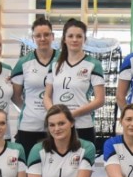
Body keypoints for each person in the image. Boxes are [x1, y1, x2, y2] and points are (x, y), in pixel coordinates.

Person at [44, 17, 107, 147]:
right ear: (64, 39)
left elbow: (100, 100)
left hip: (83, 126)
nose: (74, 39)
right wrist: (56, 116)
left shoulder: (93, 64)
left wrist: (70, 115)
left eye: (79, 36)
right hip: (58, 127)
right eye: (70, 36)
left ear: (84, 39)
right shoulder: (55, 64)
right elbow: (47, 96)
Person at [12, 16, 58, 152]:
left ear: (53, 36)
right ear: (33, 38)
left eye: (46, 35)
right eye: (38, 35)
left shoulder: (63, 60)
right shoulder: (23, 63)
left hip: (56, 125)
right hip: (29, 125)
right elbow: (15, 96)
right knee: (27, 164)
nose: (42, 39)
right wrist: (29, 109)